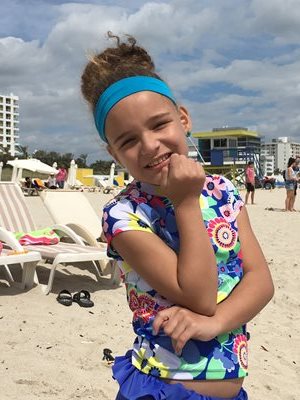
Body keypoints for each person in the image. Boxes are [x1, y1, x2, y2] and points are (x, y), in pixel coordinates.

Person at [81, 33, 274, 400]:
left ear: (183, 118)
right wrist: (185, 202)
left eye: (158, 125)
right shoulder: (124, 216)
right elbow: (198, 296)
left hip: (232, 386)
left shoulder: (223, 192)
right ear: (114, 153)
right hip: (162, 389)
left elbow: (260, 279)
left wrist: (215, 322)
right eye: (128, 141)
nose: (150, 145)